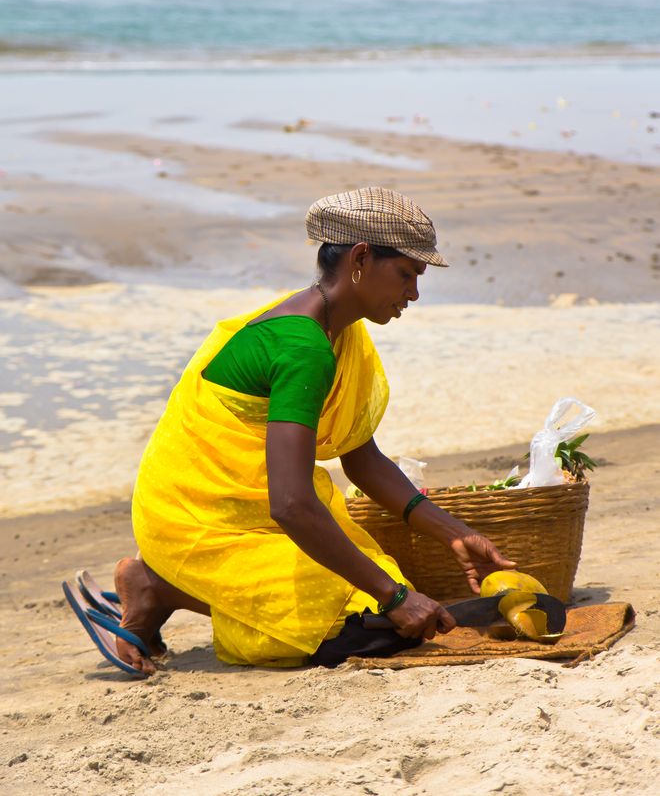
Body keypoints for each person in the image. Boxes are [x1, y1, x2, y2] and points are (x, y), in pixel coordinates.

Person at [64, 187, 514, 676]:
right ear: (362, 258)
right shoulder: (302, 345)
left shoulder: (336, 331)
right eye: (407, 274)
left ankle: (161, 586)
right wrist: (396, 597)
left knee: (382, 600)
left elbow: (361, 458)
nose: (414, 293)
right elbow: (291, 505)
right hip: (200, 516)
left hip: (249, 509)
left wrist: (456, 534)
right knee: (370, 627)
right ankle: (162, 583)